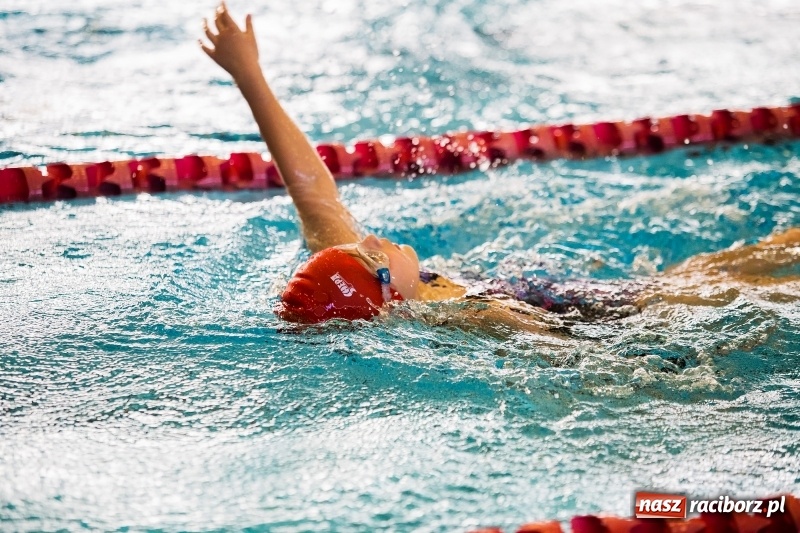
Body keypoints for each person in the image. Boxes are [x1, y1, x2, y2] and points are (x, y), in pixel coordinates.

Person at [199, 4, 800, 333]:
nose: (372, 238)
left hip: (554, 295)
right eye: (372, 253)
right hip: (607, 314)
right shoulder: (477, 319)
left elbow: (313, 193)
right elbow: (585, 364)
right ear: (390, 296)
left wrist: (249, 76)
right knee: (735, 280)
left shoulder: (377, 284)